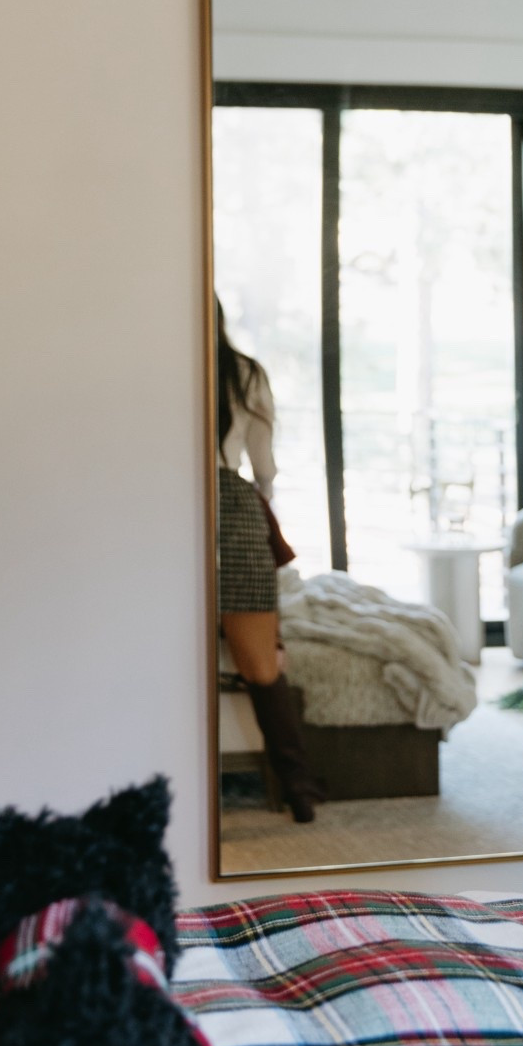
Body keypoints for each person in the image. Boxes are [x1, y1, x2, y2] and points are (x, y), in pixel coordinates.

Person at [216, 300, 319, 825]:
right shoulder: (245, 373)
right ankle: (299, 790)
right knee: (261, 666)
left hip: (164, 505)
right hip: (232, 505)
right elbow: (263, 467)